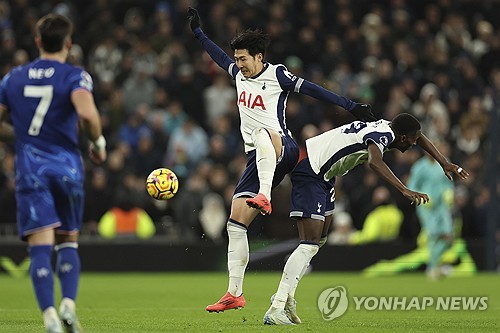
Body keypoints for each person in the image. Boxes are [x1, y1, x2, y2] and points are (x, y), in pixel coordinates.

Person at [186, 7, 376, 313]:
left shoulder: (276, 75)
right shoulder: (237, 74)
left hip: (283, 148)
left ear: (259, 57)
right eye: (237, 59)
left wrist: (350, 106)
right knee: (235, 222)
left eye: (243, 59)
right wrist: (199, 33)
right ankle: (234, 292)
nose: (238, 64)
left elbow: (314, 90)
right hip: (257, 159)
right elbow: (218, 56)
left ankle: (264, 194)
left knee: (263, 131)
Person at [264, 113, 468, 325]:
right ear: (403, 138)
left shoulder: (393, 130)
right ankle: (276, 305)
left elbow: (420, 135)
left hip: (325, 175)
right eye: (413, 140)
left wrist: (444, 162)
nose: (416, 143)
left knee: (319, 240)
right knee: (309, 243)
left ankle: (287, 297)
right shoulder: (382, 136)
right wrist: (404, 189)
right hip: (311, 169)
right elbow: (374, 162)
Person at [0, 14, 106, 333]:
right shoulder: (74, 75)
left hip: (31, 170)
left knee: (40, 247)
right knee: (68, 241)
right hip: (67, 168)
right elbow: (87, 112)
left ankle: (49, 317)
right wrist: (98, 142)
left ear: (37, 42)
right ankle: (69, 306)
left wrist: (20, 136)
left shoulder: (13, 78)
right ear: (68, 43)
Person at [407, 142, 455, 279]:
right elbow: (412, 185)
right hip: (427, 206)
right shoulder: (420, 167)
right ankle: (433, 268)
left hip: (442, 205)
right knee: (433, 235)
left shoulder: (444, 162)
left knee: (448, 236)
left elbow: (448, 182)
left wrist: (449, 193)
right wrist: (420, 195)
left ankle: (435, 265)